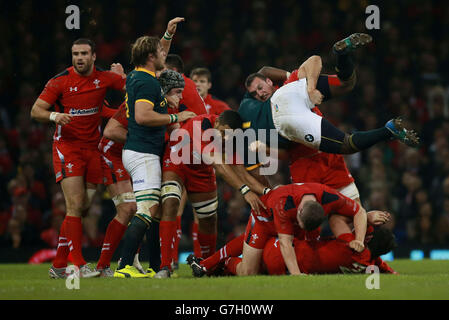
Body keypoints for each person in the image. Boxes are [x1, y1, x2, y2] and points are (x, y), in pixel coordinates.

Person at [30, 38, 126, 278]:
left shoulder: (104, 79)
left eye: (84, 53)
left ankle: (58, 266)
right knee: (74, 205)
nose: (79, 58)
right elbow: (35, 110)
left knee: (81, 208)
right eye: (75, 54)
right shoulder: (60, 80)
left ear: (94, 56)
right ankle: (79, 265)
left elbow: (133, 88)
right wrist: (54, 116)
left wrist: (123, 77)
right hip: (67, 148)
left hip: (92, 150)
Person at [239, 33, 419, 160]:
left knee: (346, 144)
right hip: (290, 95)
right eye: (256, 93)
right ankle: (341, 55)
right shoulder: (255, 101)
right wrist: (299, 82)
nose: (259, 94)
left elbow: (285, 151)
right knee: (347, 83)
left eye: (259, 89)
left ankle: (388, 131)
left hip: (286, 116)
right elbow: (264, 72)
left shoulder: (248, 113)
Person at [113, 36, 196, 279]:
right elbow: (142, 116)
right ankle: (124, 266)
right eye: (160, 51)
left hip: (138, 151)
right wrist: (174, 117)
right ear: (151, 56)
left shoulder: (138, 76)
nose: (164, 54)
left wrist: (169, 34)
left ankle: (146, 265)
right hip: (144, 153)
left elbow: (156, 58)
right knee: (147, 209)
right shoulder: (147, 82)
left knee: (150, 209)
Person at [158, 105, 267, 278]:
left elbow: (240, 171)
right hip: (176, 162)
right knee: (170, 203)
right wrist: (245, 191)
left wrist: (266, 190)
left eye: (228, 136)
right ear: (216, 122)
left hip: (201, 171)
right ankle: (165, 266)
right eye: (222, 133)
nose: (223, 138)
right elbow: (218, 163)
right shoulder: (200, 124)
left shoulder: (228, 139)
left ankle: (208, 265)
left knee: (209, 220)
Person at [195, 183, 368, 277]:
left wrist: (359, 239)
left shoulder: (330, 196)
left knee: (307, 246)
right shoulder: (283, 204)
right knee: (248, 273)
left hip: (289, 222)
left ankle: (207, 263)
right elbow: (286, 243)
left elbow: (359, 211)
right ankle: (224, 263)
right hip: (263, 221)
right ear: (299, 212)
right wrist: (296, 275)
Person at [95, 102, 137, 277]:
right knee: (128, 208)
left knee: (140, 210)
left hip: (133, 155)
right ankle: (103, 265)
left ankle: (130, 263)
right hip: (113, 155)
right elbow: (110, 131)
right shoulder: (138, 100)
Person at [261, 226, 397, 275]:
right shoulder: (369, 265)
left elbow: (335, 218)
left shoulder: (350, 244)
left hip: (283, 252)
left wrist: (365, 216)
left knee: (245, 265)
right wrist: (391, 271)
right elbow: (376, 260)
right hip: (287, 269)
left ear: (368, 239)